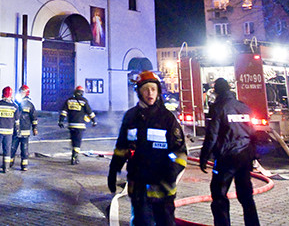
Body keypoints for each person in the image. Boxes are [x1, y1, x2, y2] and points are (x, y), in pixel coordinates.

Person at [108, 70, 187, 226]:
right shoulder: (131, 117)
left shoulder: (167, 118)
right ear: (139, 92)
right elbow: (122, 146)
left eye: (153, 89)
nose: (149, 93)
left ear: (158, 91)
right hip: (138, 184)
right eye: (145, 89)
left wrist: (171, 172)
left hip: (163, 186)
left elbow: (179, 151)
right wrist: (113, 169)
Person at [199, 78, 260, 226]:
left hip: (226, 158)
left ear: (217, 91)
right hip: (244, 157)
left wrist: (204, 157)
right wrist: (253, 156)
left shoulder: (219, 108)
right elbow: (253, 134)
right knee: (246, 196)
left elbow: (212, 135)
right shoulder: (244, 107)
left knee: (219, 196)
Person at [58, 85, 97, 164]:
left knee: (73, 140)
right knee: (78, 141)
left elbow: (64, 112)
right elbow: (90, 112)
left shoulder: (69, 100)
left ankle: (73, 155)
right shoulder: (84, 101)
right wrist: (94, 121)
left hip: (71, 125)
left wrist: (61, 121)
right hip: (80, 125)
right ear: (82, 93)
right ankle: (74, 157)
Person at [11, 84, 38, 171]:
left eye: (22, 91)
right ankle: (10, 162)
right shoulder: (15, 103)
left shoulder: (29, 105)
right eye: (20, 91)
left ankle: (24, 165)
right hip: (16, 130)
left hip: (24, 130)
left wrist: (35, 128)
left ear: (26, 93)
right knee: (12, 147)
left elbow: (34, 118)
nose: (21, 93)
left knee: (24, 148)